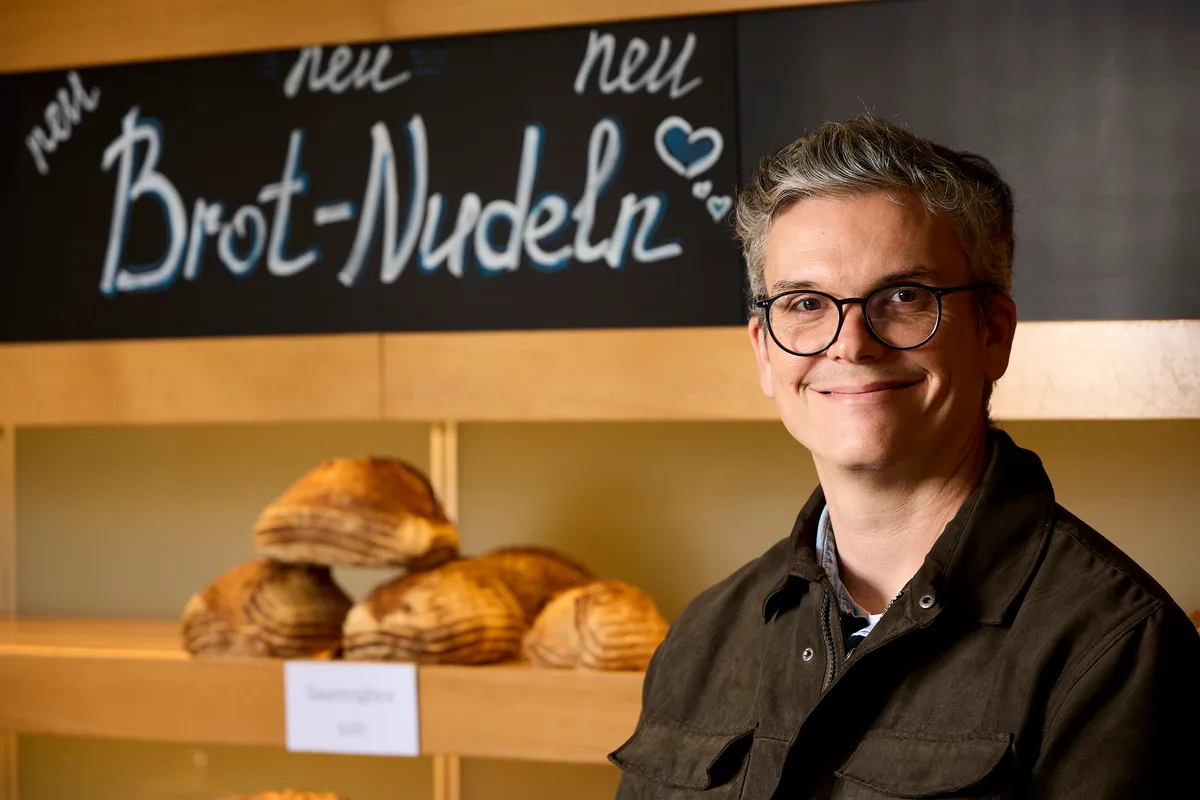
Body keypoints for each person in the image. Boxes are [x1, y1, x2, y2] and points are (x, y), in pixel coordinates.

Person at [608, 115, 1200, 798]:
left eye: (903, 297)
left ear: (993, 333)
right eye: (805, 303)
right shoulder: (704, 635)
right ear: (764, 351)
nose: (852, 345)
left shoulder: (1114, 650)